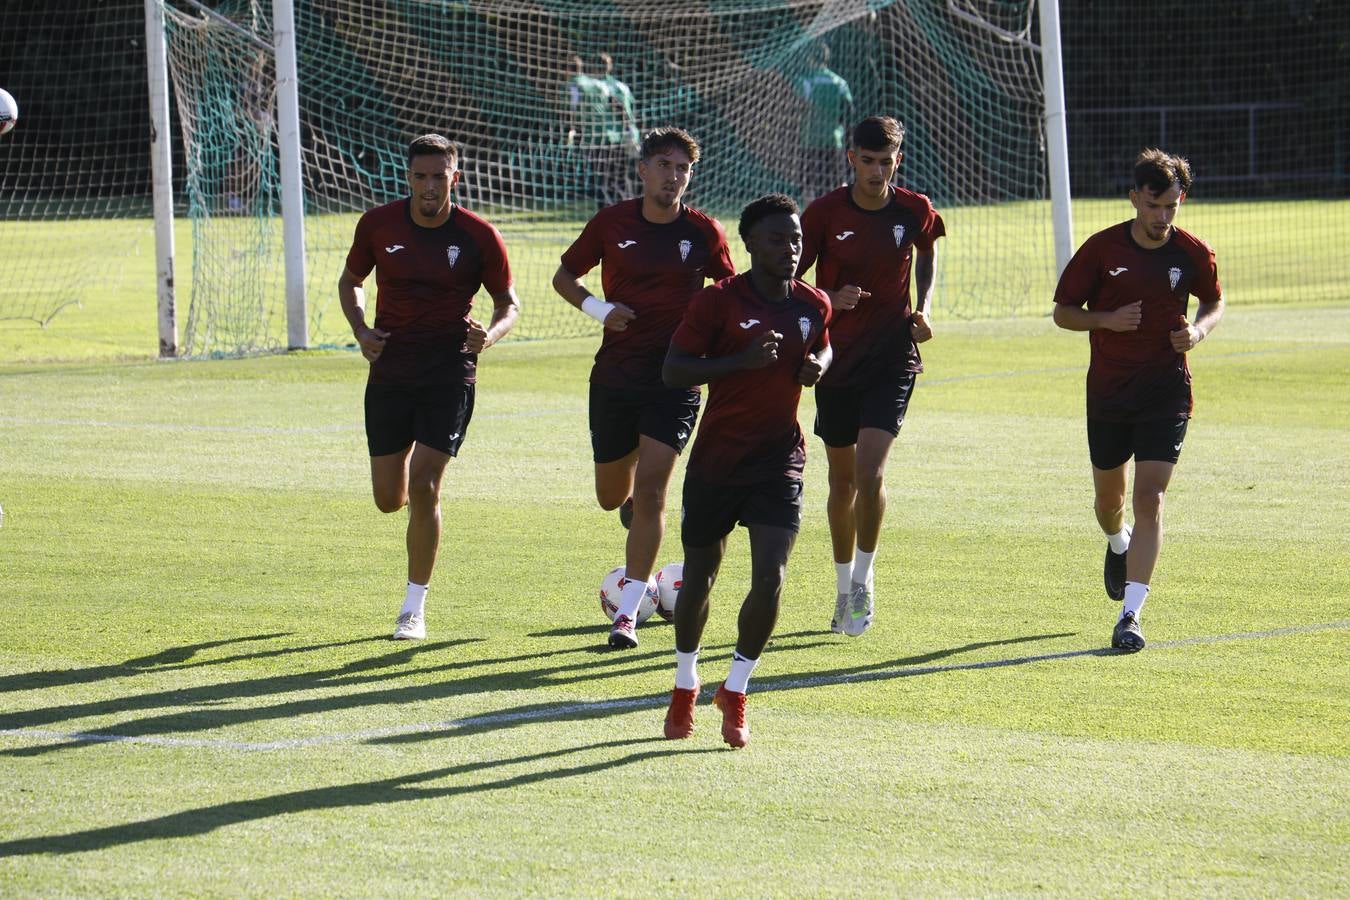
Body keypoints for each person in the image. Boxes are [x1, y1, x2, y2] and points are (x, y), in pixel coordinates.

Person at [552, 127, 736, 650]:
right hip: (615, 376)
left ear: (690, 175)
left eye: (682, 168)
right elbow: (565, 275)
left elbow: (729, 293)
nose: (672, 176)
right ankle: (630, 509)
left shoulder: (705, 233)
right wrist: (599, 309)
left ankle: (628, 613)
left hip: (676, 379)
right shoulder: (612, 223)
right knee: (613, 495)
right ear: (643, 170)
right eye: (663, 165)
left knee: (655, 488)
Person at [661, 193, 832, 749]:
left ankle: (735, 688)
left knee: (772, 578)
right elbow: (674, 370)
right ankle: (685, 683)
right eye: (779, 239)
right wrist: (741, 361)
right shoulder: (716, 304)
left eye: (797, 239)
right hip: (716, 463)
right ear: (751, 244)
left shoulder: (812, 305)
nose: (791, 248)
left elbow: (823, 346)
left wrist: (816, 366)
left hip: (779, 461)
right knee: (701, 575)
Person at [339, 134, 521, 640]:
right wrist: (360, 329)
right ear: (408, 177)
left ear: (454, 178)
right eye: (420, 176)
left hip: (450, 372)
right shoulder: (378, 224)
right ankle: (414, 519)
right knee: (387, 497)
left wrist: (490, 334)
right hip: (391, 372)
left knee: (425, 484)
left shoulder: (479, 235)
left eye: (439, 176)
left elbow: (508, 304)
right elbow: (350, 281)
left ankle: (413, 609)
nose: (429, 186)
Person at [1052, 148, 1224, 652]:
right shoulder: (1102, 250)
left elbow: (1214, 301)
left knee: (1150, 498)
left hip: (1166, 393)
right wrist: (1105, 319)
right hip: (1108, 394)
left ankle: (1130, 615)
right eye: (1154, 206)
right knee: (1111, 503)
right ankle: (1116, 542)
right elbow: (1063, 312)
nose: (1163, 217)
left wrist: (1197, 331)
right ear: (1134, 199)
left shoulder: (1191, 252)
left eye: (1171, 206)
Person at [797, 115, 945, 637]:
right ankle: (841, 587)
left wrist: (924, 306)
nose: (877, 171)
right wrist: (827, 299)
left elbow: (927, 251)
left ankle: (863, 578)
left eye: (887, 162)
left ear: (897, 161)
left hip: (891, 357)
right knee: (840, 481)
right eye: (868, 161)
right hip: (836, 360)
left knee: (871, 473)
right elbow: (791, 280)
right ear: (851, 159)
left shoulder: (915, 209)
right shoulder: (823, 214)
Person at [798, 43, 854, 203]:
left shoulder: (806, 82)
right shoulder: (840, 83)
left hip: (810, 141)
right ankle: (841, 218)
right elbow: (849, 113)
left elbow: (798, 107)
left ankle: (810, 220)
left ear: (810, 59)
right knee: (838, 184)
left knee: (809, 185)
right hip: (833, 140)